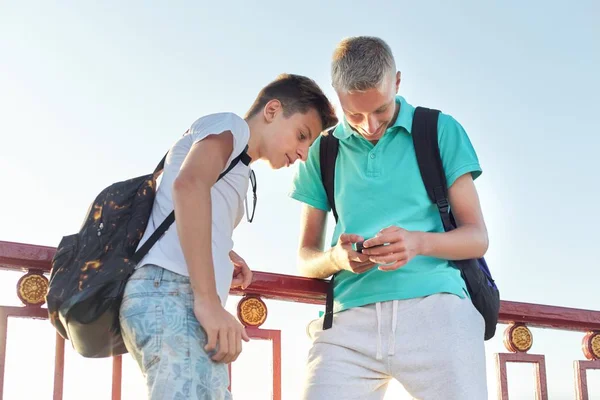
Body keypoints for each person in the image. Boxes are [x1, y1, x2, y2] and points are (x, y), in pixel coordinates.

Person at [290, 36, 489, 399]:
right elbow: (305, 258)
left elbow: (477, 237)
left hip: (438, 311)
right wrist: (335, 258)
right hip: (347, 326)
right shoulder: (324, 150)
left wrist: (418, 242)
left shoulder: (439, 130)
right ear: (337, 92)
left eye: (380, 110)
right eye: (354, 114)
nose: (369, 125)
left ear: (397, 82)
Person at [119, 73, 338, 400]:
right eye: (302, 135)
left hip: (176, 294)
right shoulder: (231, 126)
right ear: (272, 110)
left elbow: (182, 204)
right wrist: (207, 301)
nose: (304, 153)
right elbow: (188, 186)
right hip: (171, 291)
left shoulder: (239, 167)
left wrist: (224, 255)